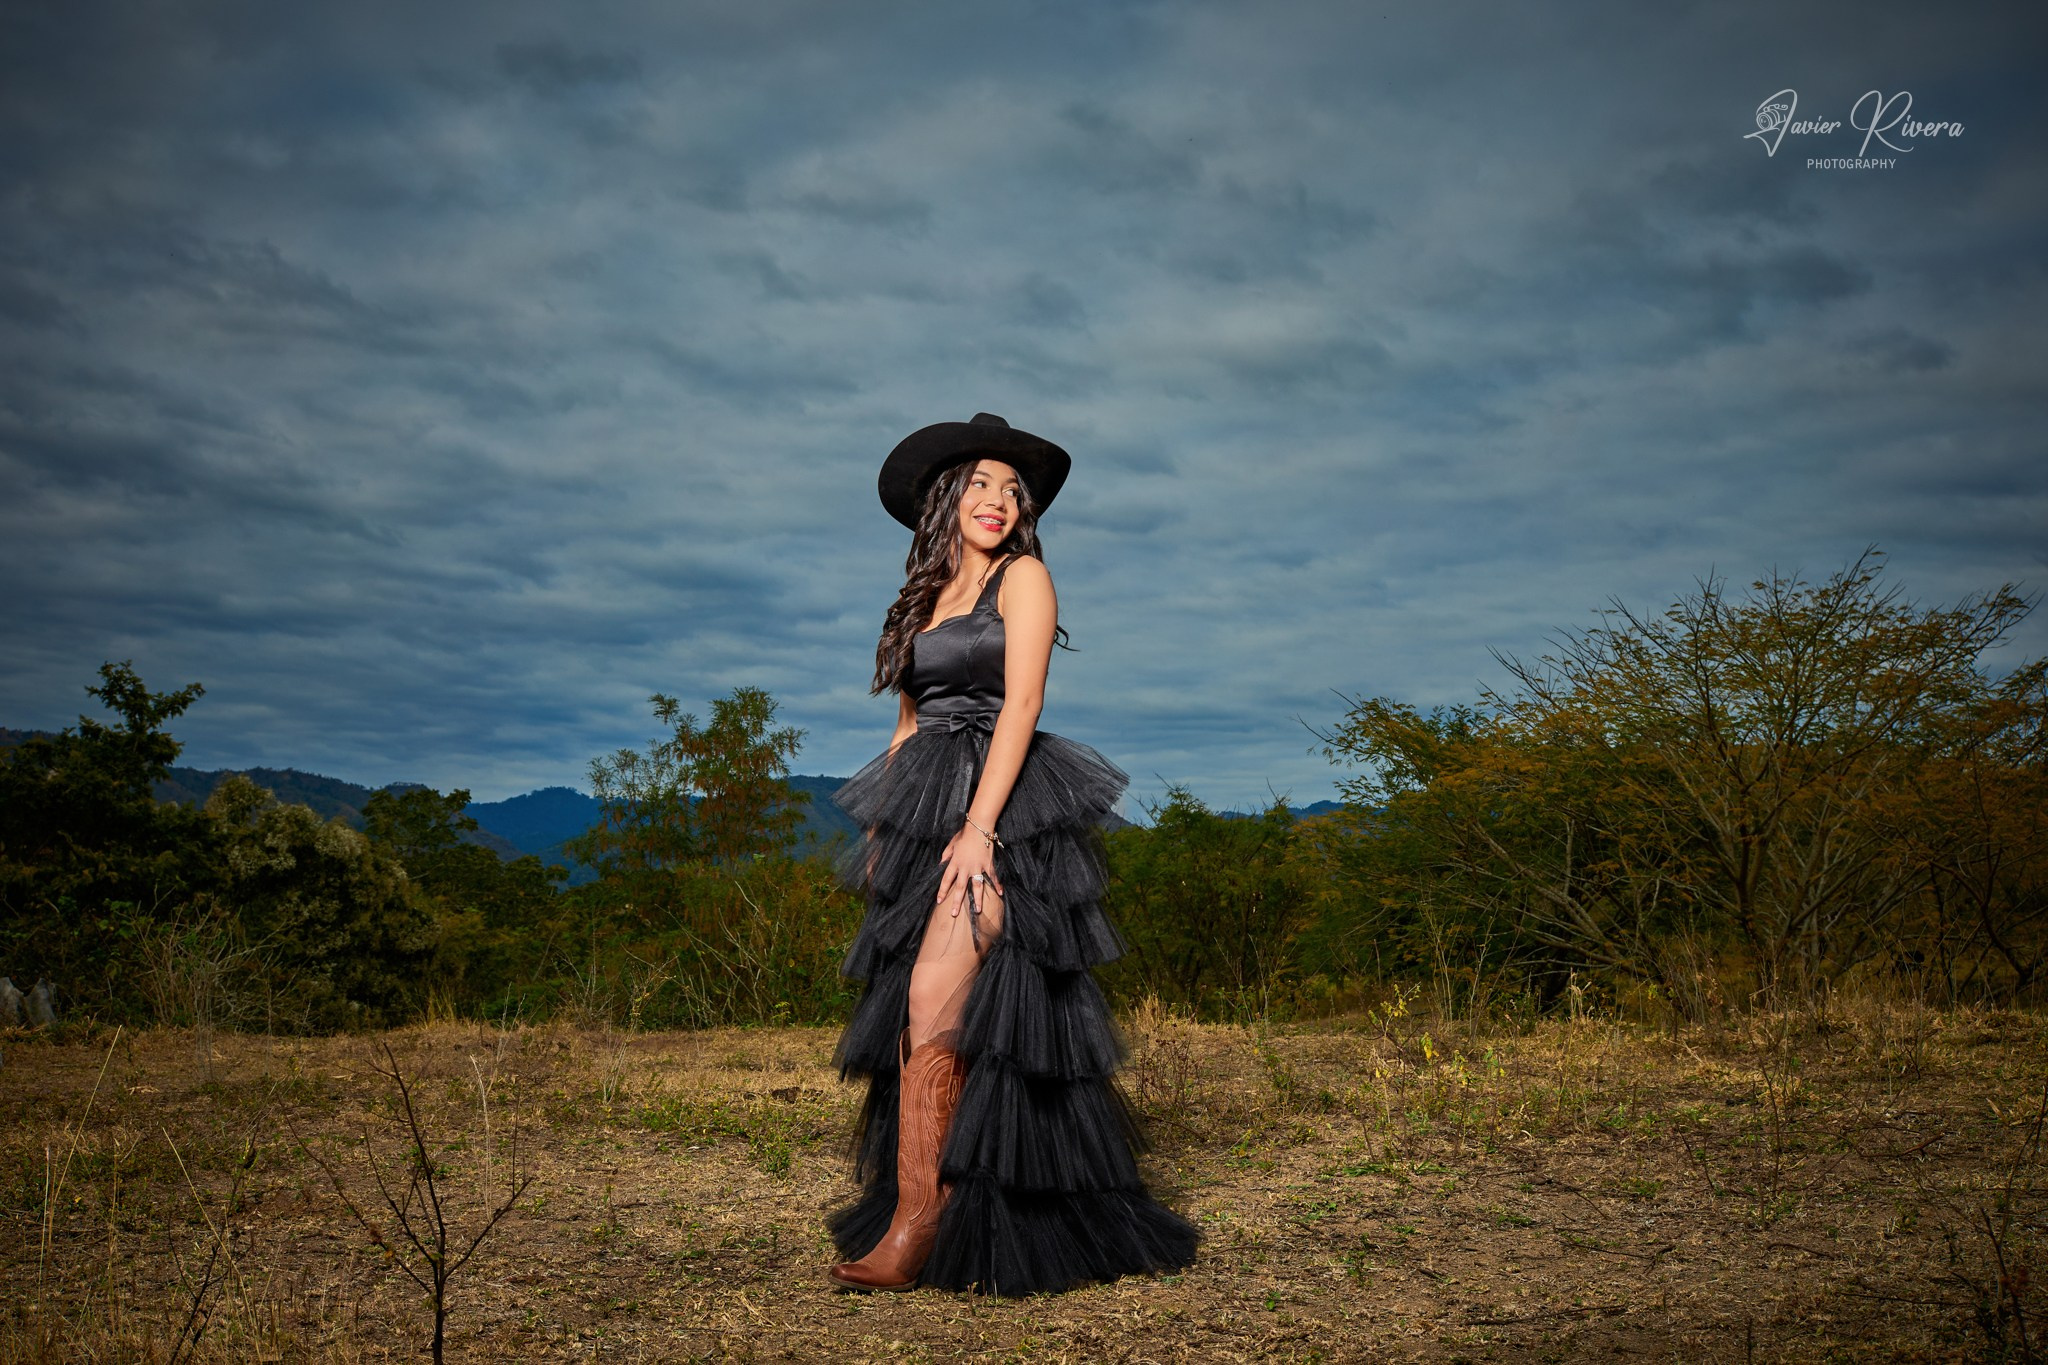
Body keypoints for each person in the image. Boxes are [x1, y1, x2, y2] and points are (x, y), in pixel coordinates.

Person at [825, 413, 1201, 1295]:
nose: (999, 500)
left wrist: (979, 828)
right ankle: (939, 1202)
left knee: (934, 993)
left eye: (1012, 488)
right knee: (930, 1006)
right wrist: (883, 828)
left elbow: (1023, 703)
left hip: (1000, 803)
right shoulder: (926, 594)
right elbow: (910, 719)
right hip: (925, 802)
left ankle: (919, 1222)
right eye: (982, 484)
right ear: (945, 498)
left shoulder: (1024, 577)